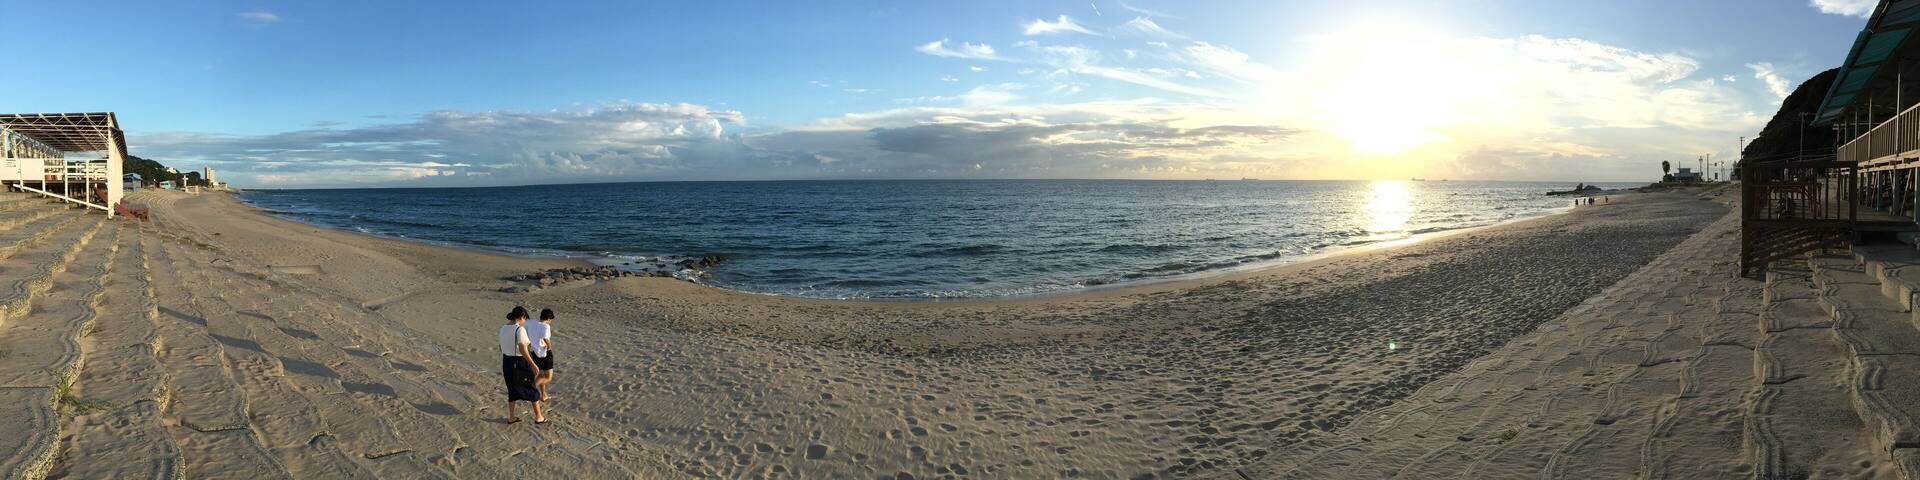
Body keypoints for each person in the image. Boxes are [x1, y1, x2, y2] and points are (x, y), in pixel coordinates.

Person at [498, 306, 545, 424]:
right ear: (521, 317)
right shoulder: (519, 330)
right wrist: (533, 364)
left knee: (512, 389)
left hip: (506, 361)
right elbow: (522, 348)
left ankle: (511, 417)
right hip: (520, 362)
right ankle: (539, 417)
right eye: (525, 319)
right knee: (531, 388)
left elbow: (500, 347)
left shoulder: (503, 328)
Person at [527, 308, 556, 401]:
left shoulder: (532, 323)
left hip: (535, 352)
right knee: (548, 377)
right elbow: (545, 338)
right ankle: (531, 388)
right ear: (548, 318)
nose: (551, 322)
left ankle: (543, 395)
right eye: (551, 320)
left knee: (541, 376)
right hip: (544, 353)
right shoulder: (545, 326)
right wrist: (549, 347)